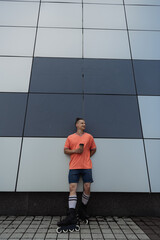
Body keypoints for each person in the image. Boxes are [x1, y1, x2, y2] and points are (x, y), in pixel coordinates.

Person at [57, 117, 96, 232]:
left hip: (86, 166)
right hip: (74, 166)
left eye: (85, 122)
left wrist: (87, 156)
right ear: (76, 125)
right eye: (81, 122)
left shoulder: (89, 137)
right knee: (72, 188)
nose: (84, 124)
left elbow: (93, 149)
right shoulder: (70, 137)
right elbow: (65, 150)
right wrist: (75, 151)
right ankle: (71, 215)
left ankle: (83, 210)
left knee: (87, 187)